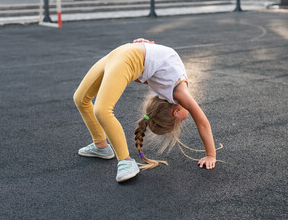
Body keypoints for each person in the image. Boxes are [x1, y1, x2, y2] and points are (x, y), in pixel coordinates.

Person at [73, 38, 217, 182]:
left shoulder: (163, 92)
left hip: (125, 54)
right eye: (183, 119)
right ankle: (124, 160)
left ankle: (102, 146)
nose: (188, 115)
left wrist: (146, 47)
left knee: (87, 102)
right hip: (125, 54)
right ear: (176, 112)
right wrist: (211, 155)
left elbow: (151, 64)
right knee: (89, 103)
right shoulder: (180, 93)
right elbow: (203, 123)